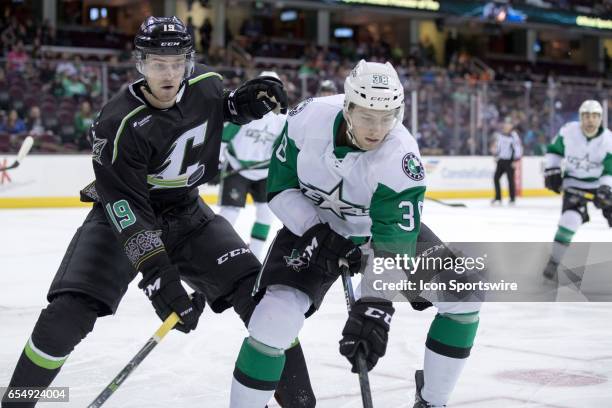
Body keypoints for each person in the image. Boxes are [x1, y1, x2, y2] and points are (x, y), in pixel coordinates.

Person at [1, 16, 289, 408]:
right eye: (157, 63)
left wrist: (242, 104)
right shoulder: (117, 123)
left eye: (177, 63)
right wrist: (159, 277)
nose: (169, 73)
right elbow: (126, 211)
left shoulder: (206, 84)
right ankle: (16, 403)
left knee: (263, 301)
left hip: (188, 213)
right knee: (67, 315)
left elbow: (215, 109)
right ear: (140, 63)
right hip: (121, 218)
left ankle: (301, 402)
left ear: (189, 62)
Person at [228, 60, 481, 408]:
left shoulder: (402, 159)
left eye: (387, 116)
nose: (377, 128)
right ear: (348, 107)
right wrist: (317, 233)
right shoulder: (306, 119)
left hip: (377, 235)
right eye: (366, 116)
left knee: (464, 298)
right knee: (272, 323)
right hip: (312, 226)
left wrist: (374, 306)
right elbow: (280, 188)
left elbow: (393, 245)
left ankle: (432, 401)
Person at [217, 71, 286, 260]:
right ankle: (218, 252)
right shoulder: (245, 109)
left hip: (264, 172)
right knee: (229, 213)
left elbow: (283, 147)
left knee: (266, 213)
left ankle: (255, 256)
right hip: (236, 166)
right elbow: (225, 136)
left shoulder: (282, 120)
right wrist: (218, 160)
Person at [543, 100, 612, 279]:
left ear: (601, 118)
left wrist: (606, 188)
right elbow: (554, 151)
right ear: (581, 117)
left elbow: (610, 168)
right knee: (569, 220)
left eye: (595, 116)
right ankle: (554, 261)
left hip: (600, 185)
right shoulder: (568, 131)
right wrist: (552, 168)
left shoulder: (608, 140)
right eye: (586, 116)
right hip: (574, 184)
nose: (590, 120)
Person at [491, 117, 522, 205]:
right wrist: (496, 155)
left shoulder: (514, 136)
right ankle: (498, 198)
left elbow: (517, 148)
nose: (507, 126)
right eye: (506, 124)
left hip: (510, 161)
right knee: (496, 178)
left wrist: (515, 160)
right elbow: (498, 147)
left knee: (510, 180)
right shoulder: (500, 135)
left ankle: (512, 198)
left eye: (509, 124)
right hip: (501, 160)